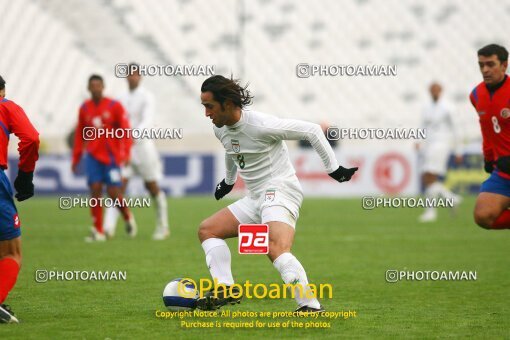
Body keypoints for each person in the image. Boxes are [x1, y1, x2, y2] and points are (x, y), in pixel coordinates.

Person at [196, 75, 358, 313]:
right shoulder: (220, 130)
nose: (207, 114)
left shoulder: (260, 125)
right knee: (207, 230)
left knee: (276, 248)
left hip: (280, 190)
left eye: (209, 106)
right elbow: (231, 151)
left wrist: (333, 168)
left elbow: (312, 130)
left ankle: (309, 305)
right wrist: (229, 182)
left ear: (228, 104)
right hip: (255, 198)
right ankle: (226, 288)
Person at [103, 64, 169, 240]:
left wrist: (131, 135)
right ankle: (107, 228)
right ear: (126, 77)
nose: (132, 77)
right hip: (125, 149)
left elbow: (147, 120)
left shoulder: (147, 97)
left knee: (152, 187)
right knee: (117, 188)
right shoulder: (120, 99)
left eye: (135, 74)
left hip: (143, 147)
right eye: (129, 74)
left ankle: (163, 227)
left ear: (140, 77)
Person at [72, 74, 137, 241]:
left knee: (114, 192)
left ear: (103, 87)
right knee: (95, 190)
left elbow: (125, 130)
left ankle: (127, 216)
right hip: (93, 157)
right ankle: (98, 230)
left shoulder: (114, 106)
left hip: (111, 157)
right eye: (92, 86)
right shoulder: (84, 108)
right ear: (88, 88)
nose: (95, 88)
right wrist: (76, 157)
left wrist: (126, 152)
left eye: (98, 85)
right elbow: (80, 134)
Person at [0, 75, 40, 323]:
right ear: (2, 91)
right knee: (11, 253)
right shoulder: (5, 106)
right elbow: (31, 138)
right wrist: (25, 176)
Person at [471, 44, 510, 230]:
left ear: (504, 65)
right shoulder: (476, 94)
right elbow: (486, 129)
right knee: (483, 216)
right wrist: (488, 157)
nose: (485, 70)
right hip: (503, 170)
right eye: (481, 65)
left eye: (490, 64)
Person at [417, 82, 462, 223]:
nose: (434, 92)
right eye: (432, 90)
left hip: (441, 145)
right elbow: (423, 126)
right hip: (429, 145)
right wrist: (419, 140)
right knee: (428, 177)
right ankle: (451, 198)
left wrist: (458, 150)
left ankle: (431, 212)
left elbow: (456, 129)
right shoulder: (426, 108)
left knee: (428, 176)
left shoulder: (448, 107)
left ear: (441, 90)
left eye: (436, 90)